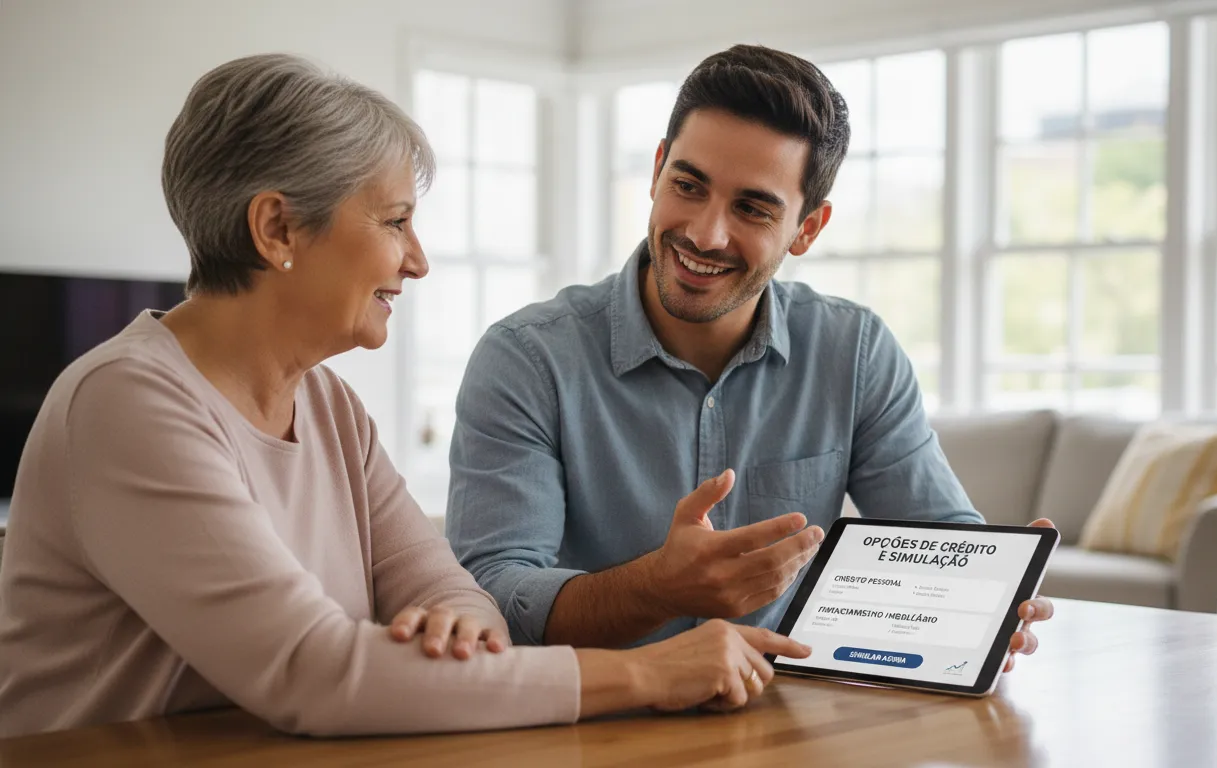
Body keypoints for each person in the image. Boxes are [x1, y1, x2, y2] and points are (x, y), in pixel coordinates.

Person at [0, 53, 811, 739]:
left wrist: (459, 629)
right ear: (277, 230)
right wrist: (644, 674)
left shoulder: (330, 408)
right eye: (394, 222)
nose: (416, 260)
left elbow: (462, 598)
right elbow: (310, 671)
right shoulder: (128, 403)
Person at [447, 45, 1056, 657]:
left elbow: (940, 545)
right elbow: (491, 596)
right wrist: (658, 588)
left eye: (752, 208)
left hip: (786, 714)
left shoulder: (855, 352)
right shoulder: (526, 359)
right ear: (657, 171)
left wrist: (992, 601)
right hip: (593, 721)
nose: (704, 234)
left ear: (808, 228)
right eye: (688, 185)